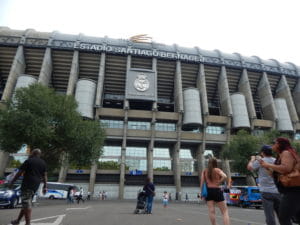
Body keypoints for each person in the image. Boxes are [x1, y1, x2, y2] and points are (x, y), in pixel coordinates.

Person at [260, 137, 300, 225]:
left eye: (274, 143)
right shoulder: (280, 155)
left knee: (284, 217)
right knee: (294, 217)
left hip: (293, 190)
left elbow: (286, 168)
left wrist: (268, 164)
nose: (272, 145)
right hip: (289, 190)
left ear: (279, 144)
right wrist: (266, 167)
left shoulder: (286, 152)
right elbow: (276, 174)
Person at [9, 148, 47, 225]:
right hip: (36, 185)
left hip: (27, 184)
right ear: (39, 154)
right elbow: (45, 176)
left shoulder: (29, 161)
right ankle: (17, 221)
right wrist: (45, 186)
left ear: (33, 153)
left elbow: (20, 172)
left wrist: (12, 182)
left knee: (26, 204)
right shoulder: (43, 163)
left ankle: (28, 223)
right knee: (26, 203)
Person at [247, 145, 281, 225]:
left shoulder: (261, 161)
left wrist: (252, 160)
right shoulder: (276, 160)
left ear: (262, 152)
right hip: (277, 191)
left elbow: (249, 168)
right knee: (281, 214)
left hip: (265, 191)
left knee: (269, 215)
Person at [200, 157, 231, 225]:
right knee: (224, 211)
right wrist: (219, 181)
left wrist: (201, 193)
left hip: (209, 191)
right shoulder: (217, 170)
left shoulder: (205, 171)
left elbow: (202, 183)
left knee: (211, 211)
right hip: (217, 190)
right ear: (215, 163)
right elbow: (225, 176)